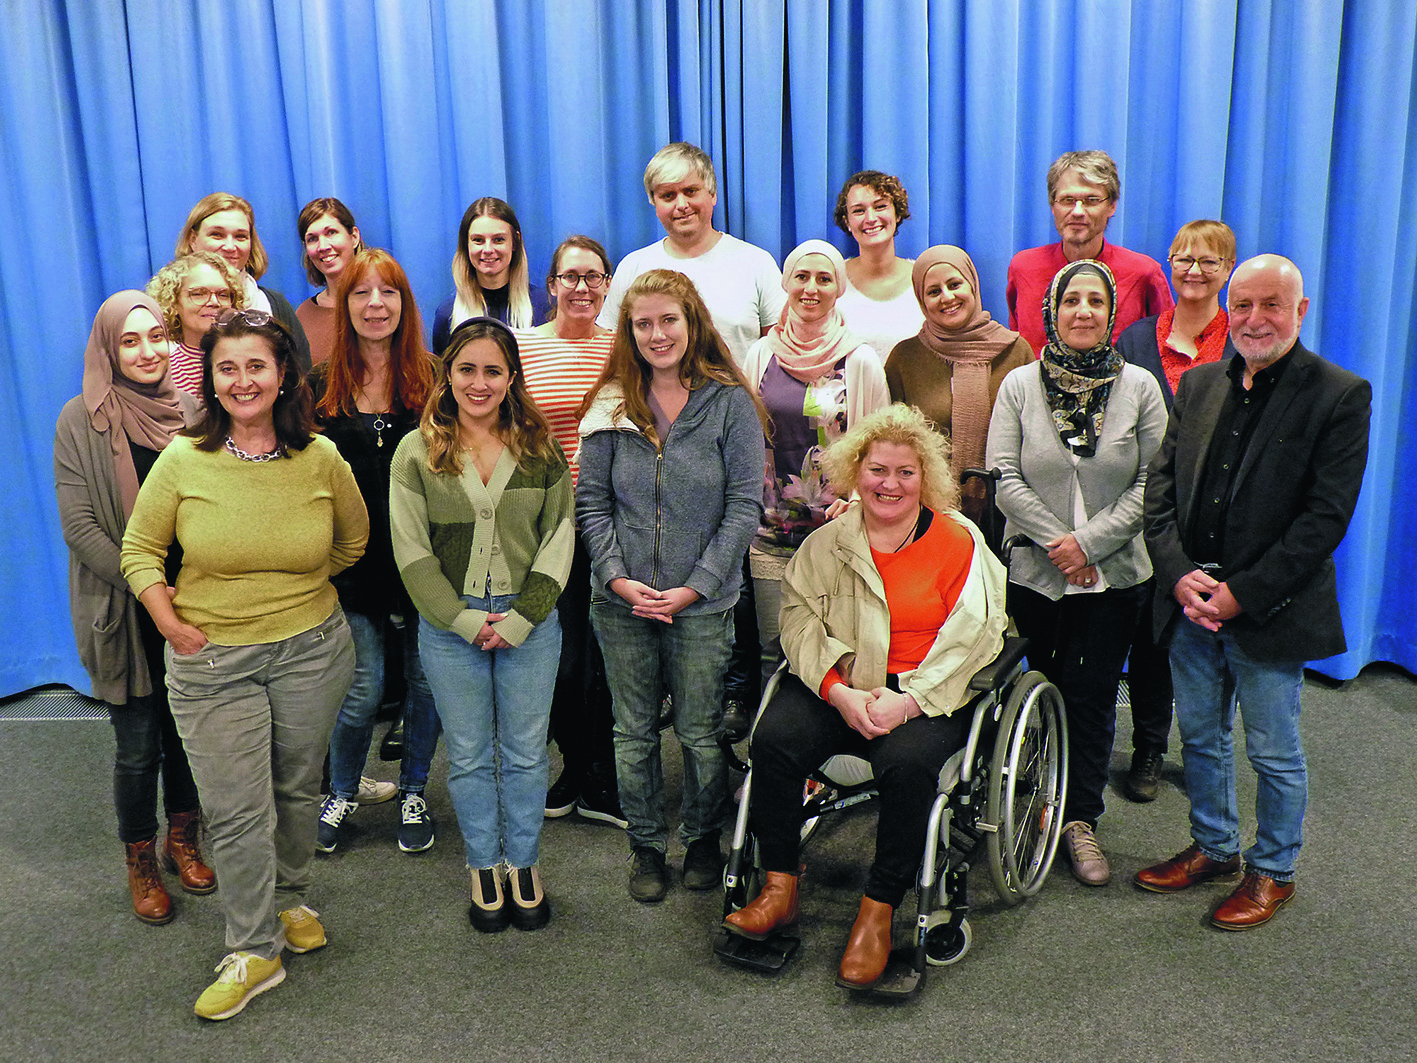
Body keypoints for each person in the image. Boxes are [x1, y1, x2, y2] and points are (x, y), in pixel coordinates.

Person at [120, 309, 366, 1020]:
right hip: (213, 659)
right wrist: (170, 621)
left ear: (283, 372)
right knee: (235, 808)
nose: (242, 379)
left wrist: (294, 590)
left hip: (311, 651)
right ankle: (253, 945)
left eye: (256, 364)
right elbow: (140, 551)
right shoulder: (182, 459)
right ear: (211, 377)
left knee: (294, 791)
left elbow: (351, 543)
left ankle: (288, 897)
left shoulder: (320, 458)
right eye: (226, 367)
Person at [722, 404, 1007, 989]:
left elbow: (977, 631)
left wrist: (908, 700)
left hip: (922, 690)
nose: (890, 484)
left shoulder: (959, 541)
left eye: (905, 472)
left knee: (906, 766)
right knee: (773, 739)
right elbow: (799, 620)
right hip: (844, 684)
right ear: (857, 472)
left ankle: (877, 911)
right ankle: (780, 888)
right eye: (878, 469)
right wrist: (837, 691)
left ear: (924, 479)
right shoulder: (828, 543)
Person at [1137, 254, 1371, 930]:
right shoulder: (1200, 383)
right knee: (1201, 738)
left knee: (1271, 747)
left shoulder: (1338, 393)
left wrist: (1239, 594)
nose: (1253, 318)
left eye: (1271, 304)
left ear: (1299, 312)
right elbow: (1160, 490)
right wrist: (1176, 570)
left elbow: (1323, 519)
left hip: (1269, 608)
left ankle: (1273, 869)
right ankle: (1213, 847)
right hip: (1188, 602)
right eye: (1241, 304)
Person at [577, 269, 767, 904]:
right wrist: (617, 578)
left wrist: (697, 587)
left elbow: (743, 508)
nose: (656, 334)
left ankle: (703, 837)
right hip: (621, 603)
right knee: (632, 733)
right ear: (628, 332)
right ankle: (647, 846)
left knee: (700, 731)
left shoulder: (729, 402)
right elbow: (592, 505)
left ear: (692, 322)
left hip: (703, 605)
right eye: (642, 323)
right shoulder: (610, 402)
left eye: (668, 320)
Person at [985, 259, 1166, 887]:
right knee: (1030, 688)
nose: (1083, 311)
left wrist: (1088, 544)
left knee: (1090, 697)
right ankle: (1025, 796)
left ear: (1112, 312)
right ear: (1050, 311)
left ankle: (1078, 819)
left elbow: (1153, 482)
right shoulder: (1019, 385)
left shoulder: (1141, 386)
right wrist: (1059, 543)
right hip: (1035, 572)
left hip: (1115, 576)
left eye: (1095, 300)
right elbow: (1002, 476)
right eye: (1071, 301)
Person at [391, 318, 573, 933]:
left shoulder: (540, 449)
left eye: (493, 370)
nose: (479, 382)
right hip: (449, 628)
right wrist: (464, 619)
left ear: (512, 376)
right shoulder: (417, 451)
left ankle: (522, 863)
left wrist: (524, 617)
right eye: (466, 369)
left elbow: (559, 540)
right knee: (467, 755)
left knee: (525, 754)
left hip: (530, 620)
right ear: (447, 374)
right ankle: (482, 866)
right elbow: (411, 552)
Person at [596, 141, 784, 726]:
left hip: (730, 435)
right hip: (653, 444)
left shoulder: (753, 262)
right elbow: (616, 353)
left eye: (689, 191)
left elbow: (778, 349)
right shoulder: (632, 267)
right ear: (653, 202)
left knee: (733, 577)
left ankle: (730, 696)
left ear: (712, 194)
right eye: (665, 195)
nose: (680, 204)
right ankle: (675, 691)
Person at [55, 291, 214, 926]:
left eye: (156, 338)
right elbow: (81, 527)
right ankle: (141, 860)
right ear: (108, 349)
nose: (147, 352)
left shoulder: (194, 412)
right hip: (123, 608)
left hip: (194, 601)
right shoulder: (80, 419)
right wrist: (148, 587)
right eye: (130, 340)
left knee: (187, 739)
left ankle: (184, 838)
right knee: (138, 745)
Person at [309, 248, 441, 856]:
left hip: (427, 561)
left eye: (387, 293)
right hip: (350, 567)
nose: (375, 305)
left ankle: (414, 789)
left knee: (424, 682)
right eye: (361, 293)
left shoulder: (435, 379)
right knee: (361, 689)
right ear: (345, 305)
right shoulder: (317, 385)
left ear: (404, 303)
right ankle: (340, 791)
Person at [1113, 220, 1237, 802]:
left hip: (1223, 516)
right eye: (1182, 258)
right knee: (1151, 639)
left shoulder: (1245, 341)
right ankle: (1148, 748)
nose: (1193, 269)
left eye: (1208, 261)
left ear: (1227, 270)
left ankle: (1207, 749)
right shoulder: (1135, 339)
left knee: (1218, 638)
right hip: (1151, 512)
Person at [516, 236, 623, 828]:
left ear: (607, 284)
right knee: (557, 655)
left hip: (610, 522)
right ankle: (572, 762)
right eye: (570, 276)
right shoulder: (526, 348)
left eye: (594, 276)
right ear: (551, 284)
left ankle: (599, 774)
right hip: (543, 521)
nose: (582, 287)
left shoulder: (624, 350)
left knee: (603, 656)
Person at [740, 238, 889, 655]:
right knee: (774, 653)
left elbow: (878, 447)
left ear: (839, 288)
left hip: (839, 533)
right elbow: (746, 440)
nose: (811, 288)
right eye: (801, 277)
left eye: (824, 279)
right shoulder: (760, 356)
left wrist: (859, 500)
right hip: (771, 533)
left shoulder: (859, 360)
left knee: (838, 653)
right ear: (786, 284)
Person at [884, 245, 1034, 526]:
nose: (947, 297)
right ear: (921, 299)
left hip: (1005, 515)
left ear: (973, 285)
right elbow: (891, 446)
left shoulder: (1016, 351)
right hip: (925, 516)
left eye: (954, 285)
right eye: (933, 291)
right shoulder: (904, 359)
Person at [1006, 150, 1172, 355]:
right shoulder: (1023, 267)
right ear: (1052, 206)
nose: (1077, 211)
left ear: (1112, 206)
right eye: (1067, 200)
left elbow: (1163, 350)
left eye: (1091, 200)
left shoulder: (1144, 272)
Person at [175, 192, 312, 372]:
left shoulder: (276, 306)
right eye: (217, 234)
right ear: (193, 240)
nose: (230, 247)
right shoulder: (165, 307)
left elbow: (301, 381)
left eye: (240, 236)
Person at [431, 197, 549, 356]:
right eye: (478, 240)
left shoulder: (544, 306)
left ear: (514, 242)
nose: (488, 249)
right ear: (466, 245)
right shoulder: (447, 314)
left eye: (498, 240)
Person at [833, 170, 924, 358]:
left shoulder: (924, 279)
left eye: (880, 206)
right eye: (859, 210)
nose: (870, 218)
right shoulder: (830, 281)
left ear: (897, 213)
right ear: (847, 222)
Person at [146, 252, 247, 396]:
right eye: (199, 293)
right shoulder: (165, 376)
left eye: (223, 294)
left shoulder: (253, 361)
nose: (214, 302)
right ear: (173, 303)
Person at [295, 197, 364, 366]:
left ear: (354, 236)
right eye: (312, 239)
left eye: (331, 233)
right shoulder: (303, 315)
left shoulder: (384, 303)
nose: (323, 246)